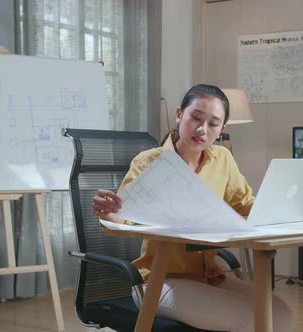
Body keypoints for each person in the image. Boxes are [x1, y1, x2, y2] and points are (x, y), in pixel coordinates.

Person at [91, 84, 291, 332]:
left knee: (279, 312)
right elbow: (124, 220)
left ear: (222, 129)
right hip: (160, 280)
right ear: (179, 114)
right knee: (252, 318)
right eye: (195, 117)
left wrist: (281, 203)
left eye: (213, 124)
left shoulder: (223, 158)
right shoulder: (149, 162)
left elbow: (245, 205)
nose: (202, 129)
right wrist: (108, 212)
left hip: (210, 276)